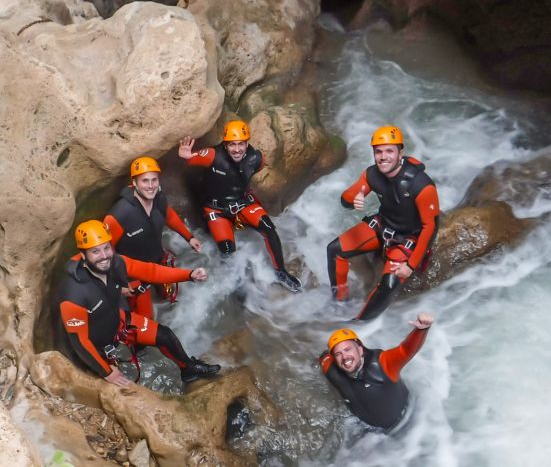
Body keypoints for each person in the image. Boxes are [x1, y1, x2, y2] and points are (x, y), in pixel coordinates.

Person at [52, 219, 221, 386]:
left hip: (117, 322)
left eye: (106, 248)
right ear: (83, 255)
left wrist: (189, 275)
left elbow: (151, 272)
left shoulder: (116, 263)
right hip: (96, 345)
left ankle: (189, 370)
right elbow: (79, 341)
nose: (104, 256)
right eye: (95, 252)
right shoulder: (72, 293)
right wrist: (108, 372)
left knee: (165, 336)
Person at [326, 125, 440, 320]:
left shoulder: (421, 184)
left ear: (400, 152)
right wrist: (354, 199)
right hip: (382, 225)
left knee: (388, 285)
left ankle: (360, 323)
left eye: (389, 151)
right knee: (334, 249)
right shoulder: (371, 174)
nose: (383, 157)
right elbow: (345, 200)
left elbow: (431, 227)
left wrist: (410, 266)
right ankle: (339, 303)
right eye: (378, 151)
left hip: (406, 238)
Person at [178, 119, 302, 292]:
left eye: (241, 144)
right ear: (225, 144)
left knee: (269, 228)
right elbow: (192, 159)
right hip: (217, 210)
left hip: (242, 204)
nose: (236, 149)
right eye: (232, 145)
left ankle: (281, 272)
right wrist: (187, 156)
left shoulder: (256, 158)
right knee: (227, 250)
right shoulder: (213, 155)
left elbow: (248, 173)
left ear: (246, 143)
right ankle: (236, 285)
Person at [103, 156, 202, 319]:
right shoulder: (119, 215)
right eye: (145, 181)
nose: (150, 186)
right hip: (135, 275)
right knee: (145, 321)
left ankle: (169, 309)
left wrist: (189, 237)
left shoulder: (159, 199)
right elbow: (105, 252)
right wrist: (117, 282)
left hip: (158, 260)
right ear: (134, 183)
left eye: (154, 180)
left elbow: (169, 216)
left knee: (171, 297)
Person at [319, 312, 435, 430]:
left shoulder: (381, 364)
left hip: (405, 422)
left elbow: (405, 351)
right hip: (369, 431)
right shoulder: (330, 369)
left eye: (348, 349)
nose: (344, 357)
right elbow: (323, 357)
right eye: (338, 354)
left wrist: (421, 330)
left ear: (360, 350)